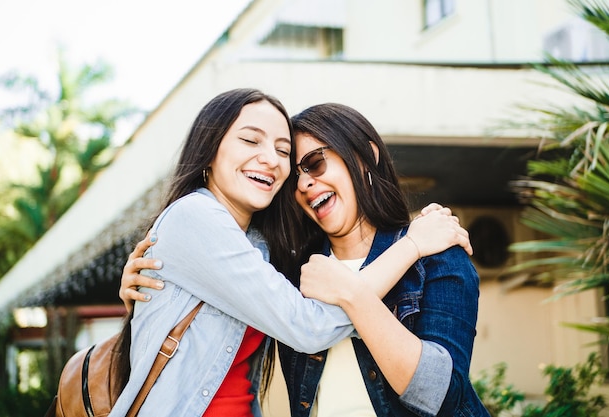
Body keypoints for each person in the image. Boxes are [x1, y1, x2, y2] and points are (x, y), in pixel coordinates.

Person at [111, 88, 473, 417]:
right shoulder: (286, 263)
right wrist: (409, 247)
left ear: (366, 157)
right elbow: (308, 326)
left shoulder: (272, 253)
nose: (297, 178)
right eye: (251, 141)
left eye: (307, 160)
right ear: (209, 150)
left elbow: (440, 394)